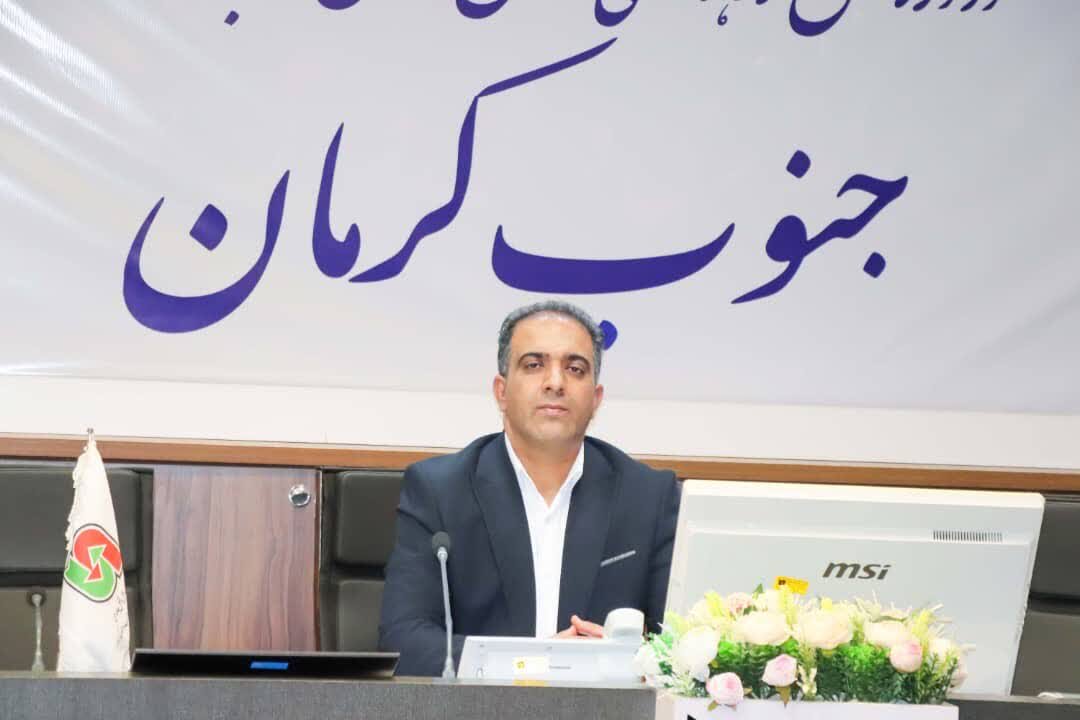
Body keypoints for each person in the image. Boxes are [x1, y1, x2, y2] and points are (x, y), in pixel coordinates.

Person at [378, 300, 680, 676]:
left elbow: (684, 646)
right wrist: (540, 664)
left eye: (575, 368)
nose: (555, 382)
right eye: (534, 365)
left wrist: (621, 659)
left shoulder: (648, 497)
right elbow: (403, 641)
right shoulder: (439, 490)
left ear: (596, 399)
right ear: (501, 391)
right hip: (482, 706)